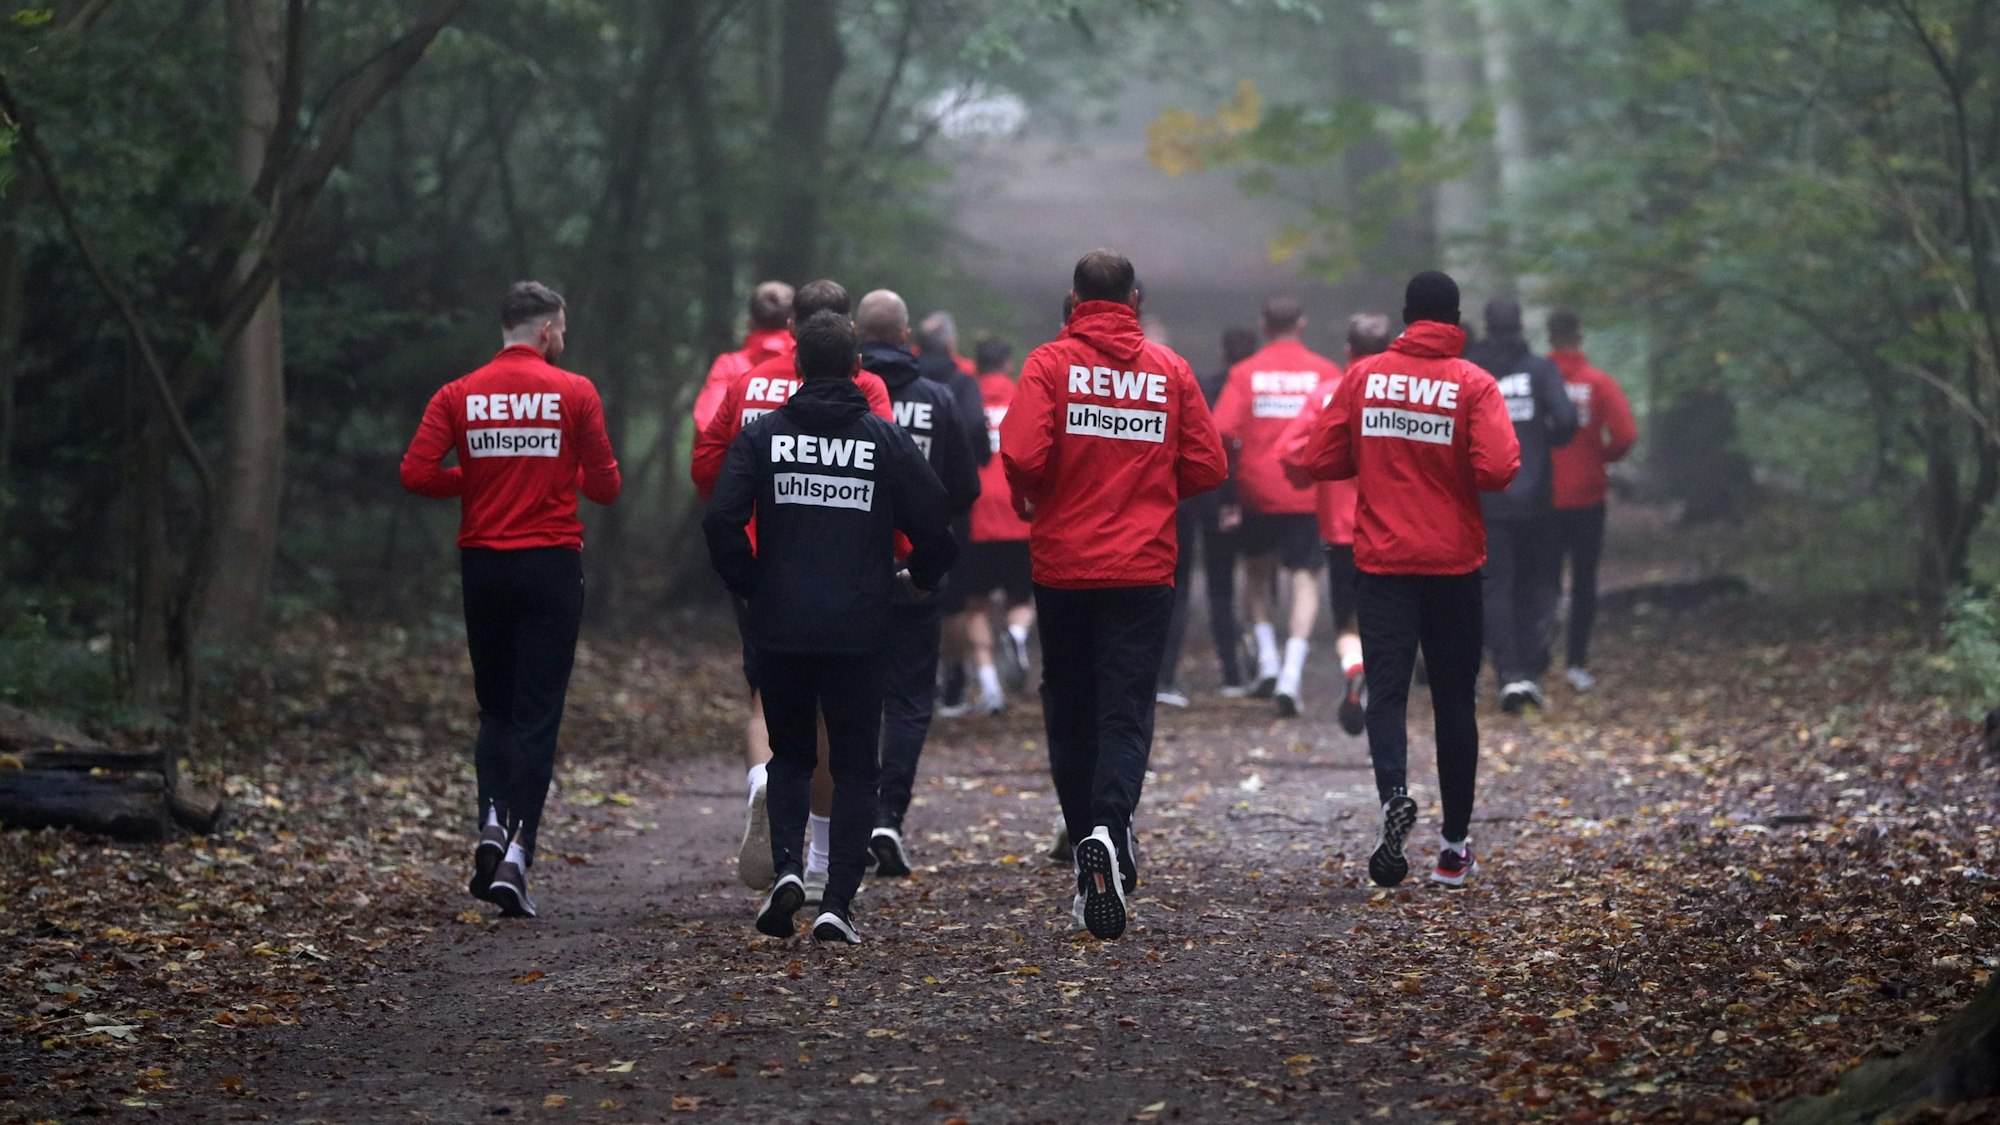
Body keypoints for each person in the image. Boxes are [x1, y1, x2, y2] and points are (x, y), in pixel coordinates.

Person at [704, 311, 957, 945]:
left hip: (781, 623)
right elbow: (936, 521)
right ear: (857, 369)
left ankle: (788, 871)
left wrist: (750, 582)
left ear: (795, 366)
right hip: (860, 627)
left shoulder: (763, 437)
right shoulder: (881, 438)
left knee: (789, 756)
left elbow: (721, 518)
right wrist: (917, 579)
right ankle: (836, 900)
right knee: (853, 765)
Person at [1000, 249, 1227, 939]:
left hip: (1064, 565)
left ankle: (1085, 843)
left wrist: (1046, 492)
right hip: (1143, 566)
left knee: (1068, 708)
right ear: (1135, 297)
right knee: (1126, 709)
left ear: (1074, 297)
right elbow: (1210, 464)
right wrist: (1152, 489)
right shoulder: (1169, 369)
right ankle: (1110, 828)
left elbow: (1020, 454)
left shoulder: (1048, 364)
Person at [1284, 270, 1518, 889]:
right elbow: (1497, 470)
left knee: (1386, 691)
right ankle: (1453, 847)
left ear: (1407, 317)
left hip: (1384, 563)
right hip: (1454, 565)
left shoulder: (1362, 377)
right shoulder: (1473, 384)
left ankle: (1394, 797)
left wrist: (1375, 453)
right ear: (1455, 318)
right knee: (1453, 700)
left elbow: (1319, 460)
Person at [400, 281, 622, 918]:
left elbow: (415, 473)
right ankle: (519, 856)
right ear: (549, 330)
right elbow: (606, 487)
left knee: (493, 709)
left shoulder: (457, 394)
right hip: (551, 565)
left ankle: (491, 822)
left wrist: (479, 474)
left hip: (484, 566)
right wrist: (556, 472)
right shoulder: (574, 391)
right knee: (537, 714)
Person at [690, 280, 894, 901]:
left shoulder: (747, 381)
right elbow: (892, 466)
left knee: (767, 694)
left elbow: (707, 466)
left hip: (757, 565)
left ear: (794, 336)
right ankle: (824, 853)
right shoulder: (867, 388)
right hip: (842, 567)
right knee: (834, 717)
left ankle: (762, 782)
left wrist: (742, 546)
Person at [854, 290, 981, 877]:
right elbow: (964, 486)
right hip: (917, 572)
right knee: (908, 700)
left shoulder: (839, 401)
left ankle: (846, 825)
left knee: (851, 697)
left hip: (848, 573)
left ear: (857, 333)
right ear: (906, 335)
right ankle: (888, 816)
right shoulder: (936, 398)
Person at [1213, 296, 1343, 716]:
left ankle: (1267, 660)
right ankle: (1291, 674)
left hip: (1257, 492)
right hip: (1308, 493)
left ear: (1264, 326)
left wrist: (1229, 484)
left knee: (1256, 574)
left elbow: (1220, 432)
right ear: (1301, 324)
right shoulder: (1325, 372)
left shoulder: (1245, 373)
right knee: (1305, 579)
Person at [1279, 311, 1395, 735]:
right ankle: (1383, 695)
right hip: (1394, 530)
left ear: (1348, 350)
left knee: (1346, 620)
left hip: (1340, 529)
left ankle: (1353, 672)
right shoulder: (1405, 396)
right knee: (1389, 615)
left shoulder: (1327, 394)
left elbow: (1291, 450)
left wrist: (1312, 478)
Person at [1464, 298, 1579, 714]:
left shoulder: (1470, 372)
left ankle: (1508, 674)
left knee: (1494, 586)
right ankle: (1528, 670)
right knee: (1537, 583)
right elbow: (1567, 420)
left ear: (1487, 326)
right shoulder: (1539, 370)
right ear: (1521, 326)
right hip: (1535, 498)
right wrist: (1541, 445)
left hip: (1484, 498)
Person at [1157, 327, 1258, 705]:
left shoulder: (1201, 384)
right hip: (1226, 498)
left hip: (1185, 496)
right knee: (1222, 587)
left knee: (1178, 587)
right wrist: (1230, 500)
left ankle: (1165, 679)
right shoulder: (1249, 389)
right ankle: (1233, 674)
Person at [1545, 310, 1637, 692]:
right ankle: (1576, 663)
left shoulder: (1534, 382)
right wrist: (1601, 456)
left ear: (1550, 338)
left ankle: (1536, 657)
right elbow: (1626, 434)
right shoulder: (1598, 383)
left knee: (1542, 581)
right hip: (1587, 496)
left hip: (1542, 498)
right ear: (1579, 337)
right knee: (1584, 581)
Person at [915, 311, 992, 716]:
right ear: (950, 343)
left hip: (898, 508)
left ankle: (912, 681)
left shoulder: (899, 382)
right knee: (954, 601)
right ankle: (954, 683)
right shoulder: (962, 382)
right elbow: (975, 429)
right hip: (949, 507)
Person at [959, 336, 1037, 715]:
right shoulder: (1024, 397)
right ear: (1008, 364)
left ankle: (990, 687)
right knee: (1022, 600)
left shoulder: (966, 401)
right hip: (1018, 514)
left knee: (974, 605)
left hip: (976, 518)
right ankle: (1018, 633)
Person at [691, 281, 795, 432]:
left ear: (750, 323)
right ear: (793, 324)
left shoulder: (729, 366)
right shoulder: (808, 366)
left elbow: (708, 424)